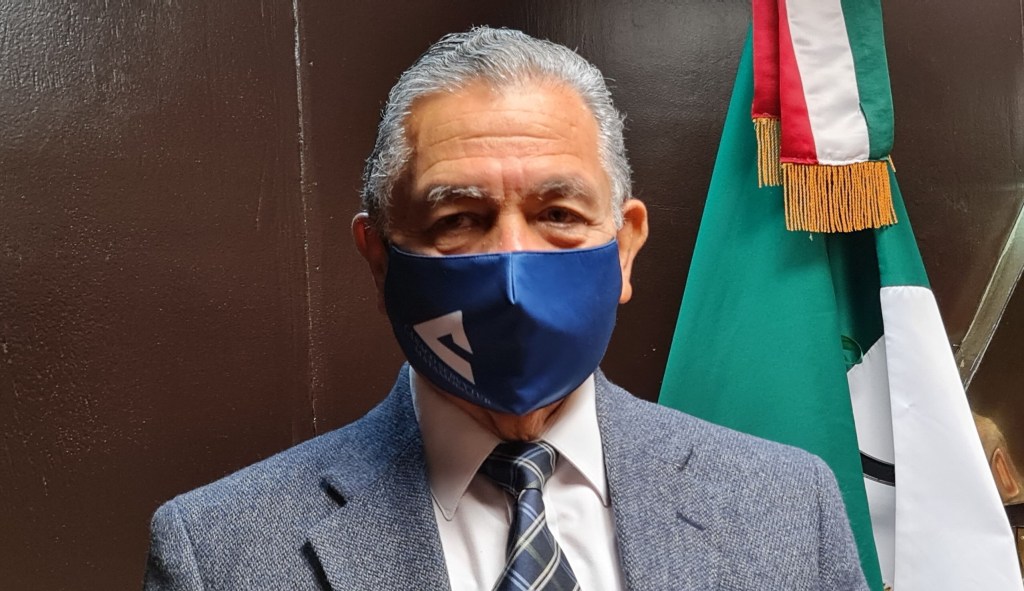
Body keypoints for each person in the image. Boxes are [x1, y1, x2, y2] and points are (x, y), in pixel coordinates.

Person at [144, 26, 869, 590]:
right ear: (380, 258)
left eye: (558, 213)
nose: (514, 269)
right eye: (459, 219)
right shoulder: (221, 552)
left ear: (624, 247)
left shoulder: (787, 506)